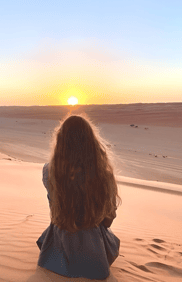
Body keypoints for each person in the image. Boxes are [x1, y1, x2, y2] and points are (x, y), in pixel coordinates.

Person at [36, 114, 121, 279]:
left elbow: (54, 209)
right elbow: (109, 218)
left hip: (57, 246)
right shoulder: (103, 174)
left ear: (60, 141)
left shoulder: (49, 171)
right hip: (95, 252)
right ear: (91, 142)